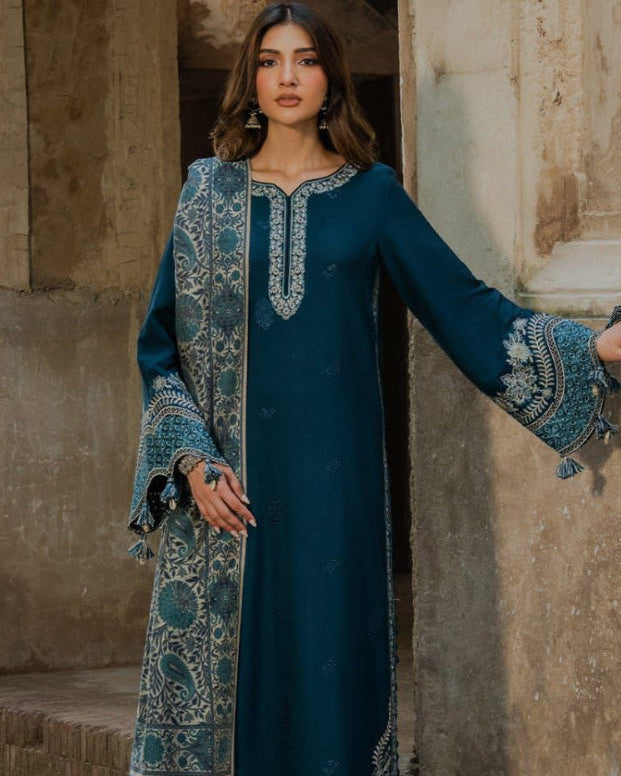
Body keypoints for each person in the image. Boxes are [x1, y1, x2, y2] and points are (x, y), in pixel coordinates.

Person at [125, 3, 621, 776]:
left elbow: (461, 305)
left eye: (304, 60)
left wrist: (592, 344)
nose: (286, 77)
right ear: (249, 81)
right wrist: (191, 462)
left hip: (336, 488)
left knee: (334, 670)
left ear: (330, 79)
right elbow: (160, 349)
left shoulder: (371, 194)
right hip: (231, 486)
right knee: (248, 681)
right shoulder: (206, 197)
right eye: (268, 61)